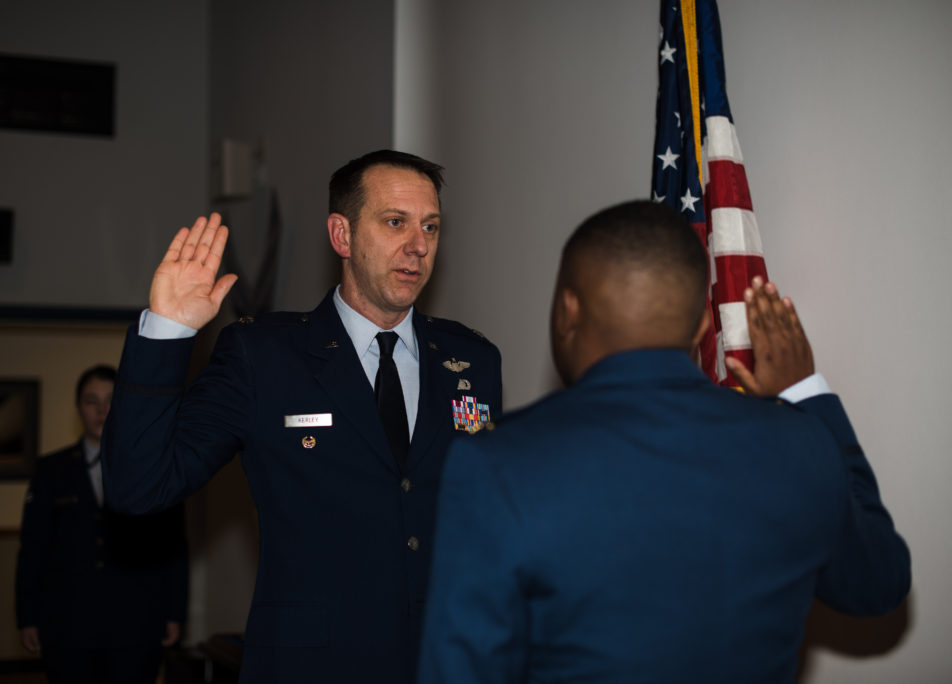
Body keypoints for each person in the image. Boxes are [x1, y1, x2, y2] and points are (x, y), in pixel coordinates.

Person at [418, 200, 910, 683]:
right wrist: (808, 396)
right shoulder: (801, 440)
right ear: (702, 324)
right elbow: (878, 583)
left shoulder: (497, 463)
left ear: (568, 311)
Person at [101, 150, 502, 682]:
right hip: (313, 666)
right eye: (394, 222)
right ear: (342, 235)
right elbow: (138, 486)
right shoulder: (263, 357)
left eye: (430, 226)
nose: (419, 245)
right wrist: (168, 331)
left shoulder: (471, 359)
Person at [15, 364, 188, 684]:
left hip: (136, 622)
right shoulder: (51, 470)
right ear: (78, 407)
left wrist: (175, 612)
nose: (101, 409)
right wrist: (27, 616)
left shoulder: (152, 466)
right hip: (67, 624)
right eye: (91, 400)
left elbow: (174, 544)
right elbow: (33, 547)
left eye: (110, 399)